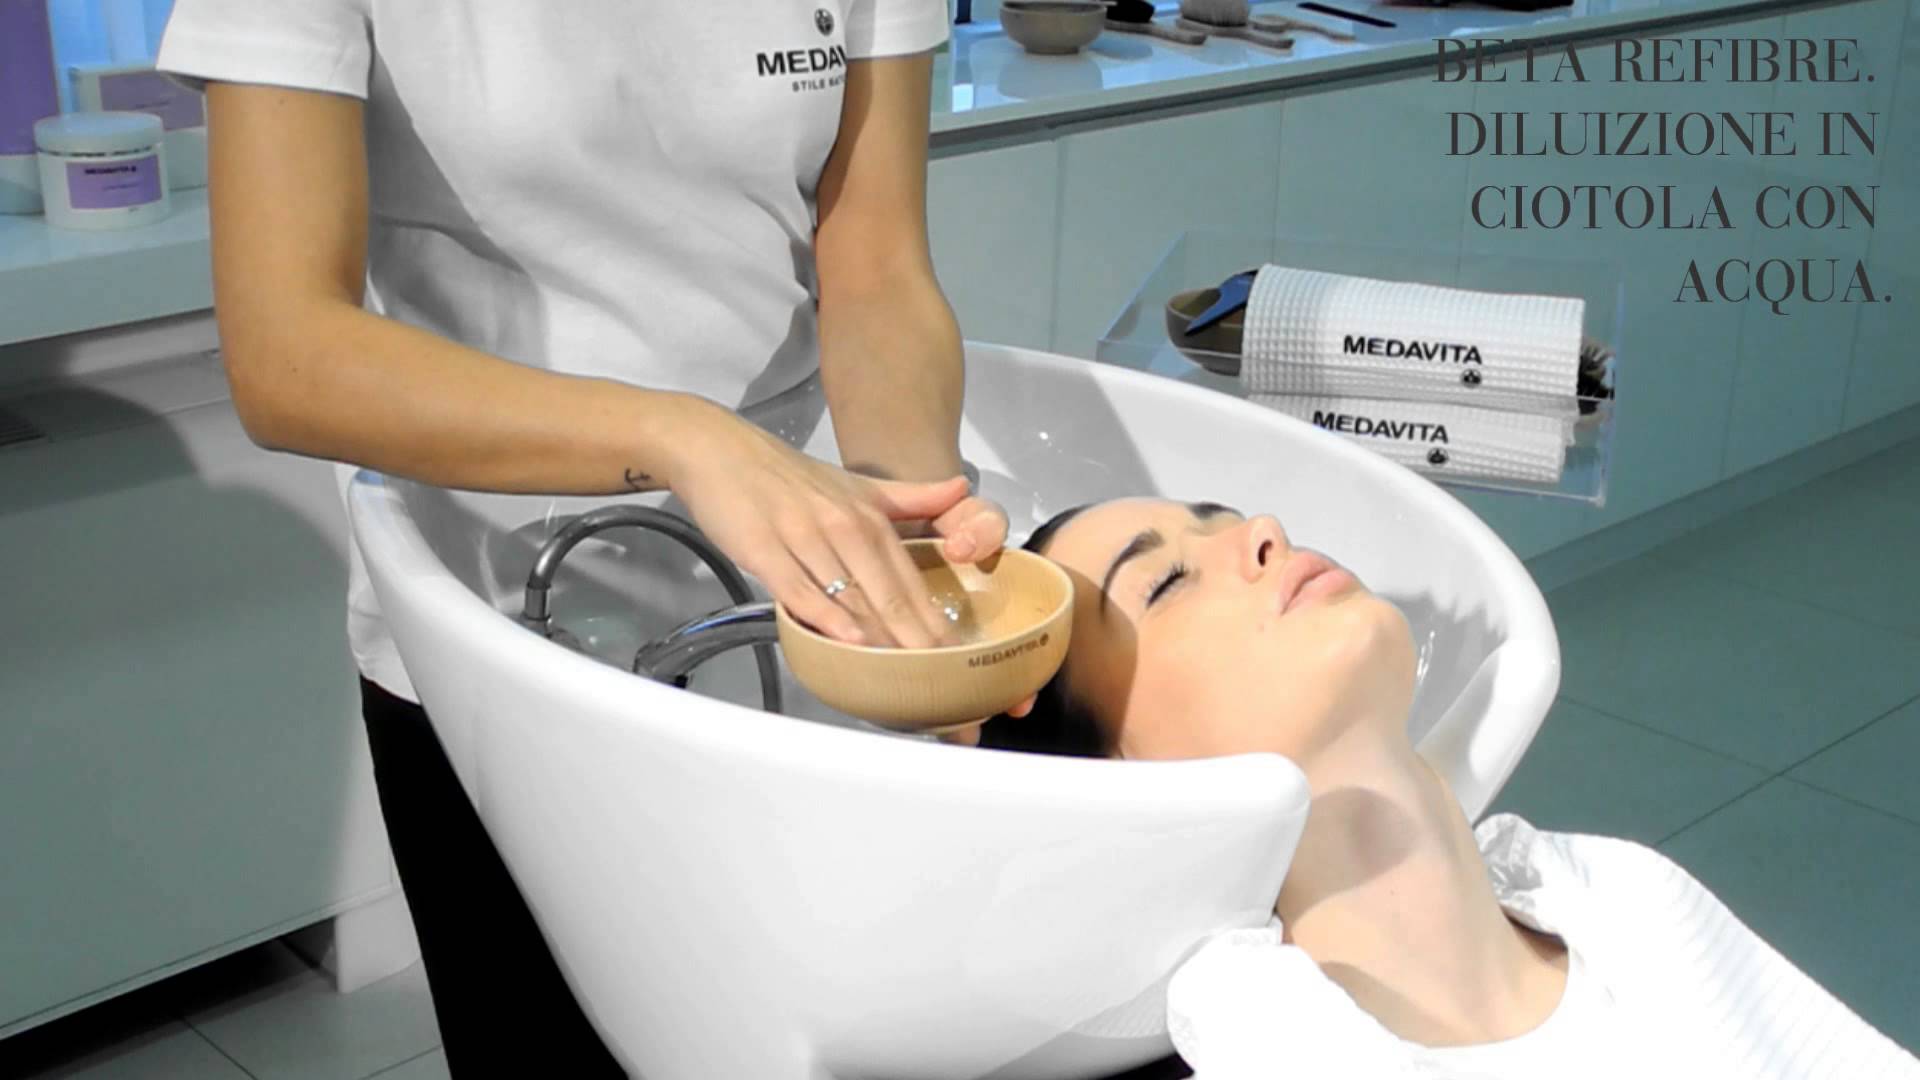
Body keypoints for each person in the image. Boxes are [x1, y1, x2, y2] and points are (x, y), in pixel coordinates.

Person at [153, 2, 1019, 1072]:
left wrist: (905, 535)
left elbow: (876, 267)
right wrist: (682, 437)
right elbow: (287, 357)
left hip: (793, 608)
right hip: (495, 624)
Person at [971, 497, 1920, 1079]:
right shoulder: (1277, 1050)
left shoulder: (1633, 905)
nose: (1265, 533)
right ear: (1124, 781)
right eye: (1168, 581)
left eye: (1229, 518)